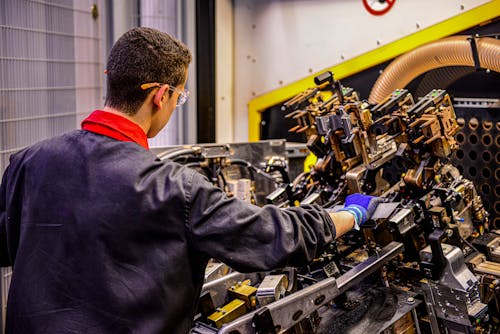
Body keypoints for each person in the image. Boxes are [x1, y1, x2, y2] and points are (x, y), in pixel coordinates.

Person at [0, 27, 379, 333]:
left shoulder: (28, 162)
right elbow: (268, 236)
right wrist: (346, 215)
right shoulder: (172, 188)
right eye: (180, 97)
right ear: (161, 96)